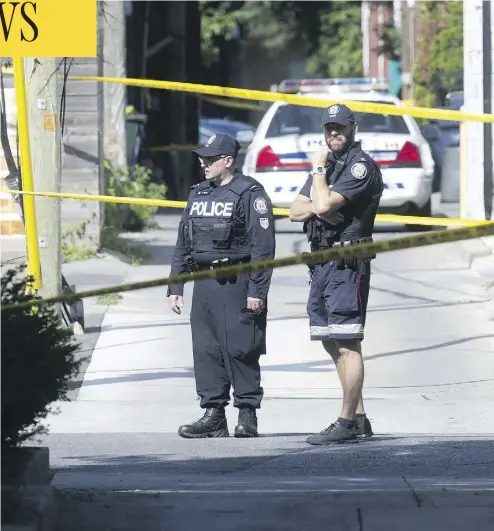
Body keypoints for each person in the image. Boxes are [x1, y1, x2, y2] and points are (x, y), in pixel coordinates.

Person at [167, 133, 276, 439]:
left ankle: (247, 414)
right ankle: (213, 414)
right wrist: (176, 286)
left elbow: (263, 247)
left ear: (228, 162)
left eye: (211, 159)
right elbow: (182, 242)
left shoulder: (250, 194)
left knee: (240, 348)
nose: (204, 163)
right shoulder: (198, 195)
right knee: (206, 350)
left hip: (237, 282)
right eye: (203, 158)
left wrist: (257, 290)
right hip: (204, 283)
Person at [289, 103, 384, 445]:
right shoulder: (328, 167)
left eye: (340, 128)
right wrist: (319, 200)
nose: (333, 134)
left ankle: (346, 421)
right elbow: (295, 211)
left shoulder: (361, 167)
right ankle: (358, 416)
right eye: (329, 129)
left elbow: (326, 204)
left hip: (348, 261)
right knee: (330, 339)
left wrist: (319, 182)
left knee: (347, 340)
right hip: (323, 261)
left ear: (353, 128)